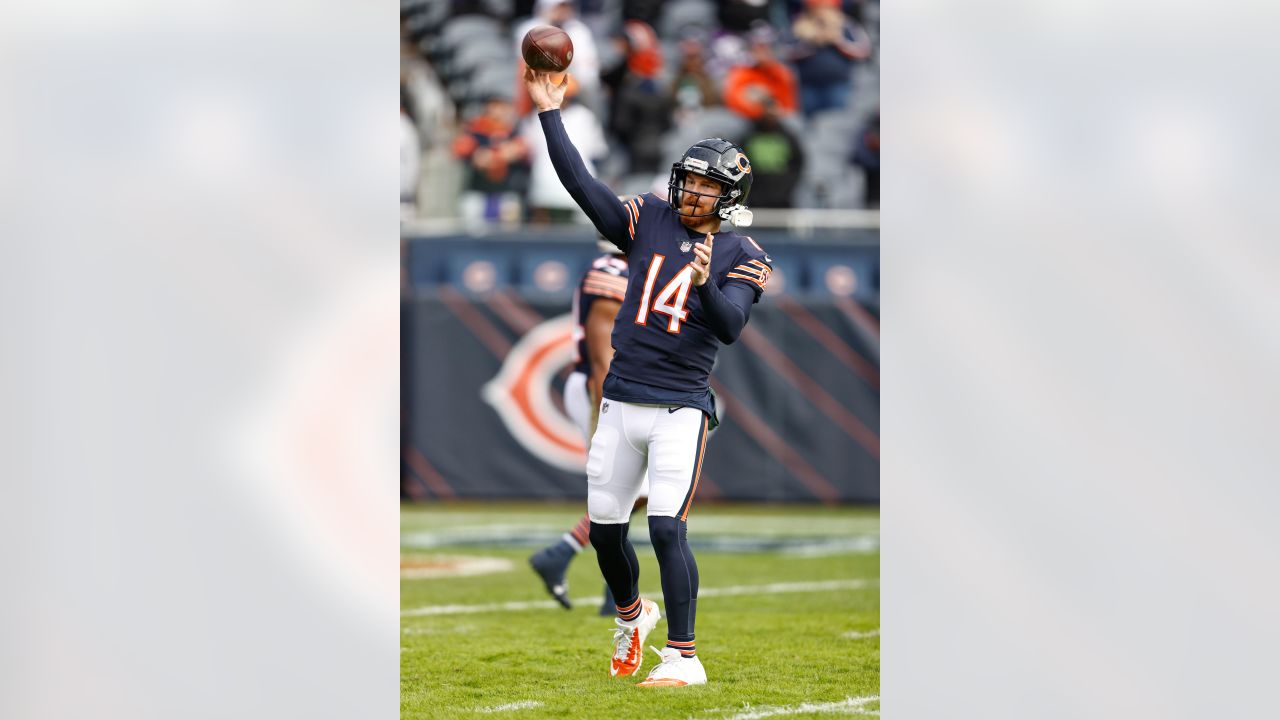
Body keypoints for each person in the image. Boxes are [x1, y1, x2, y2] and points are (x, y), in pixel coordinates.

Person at [524, 67, 774, 688]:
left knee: (666, 526)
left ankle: (684, 657)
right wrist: (550, 113)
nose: (691, 192)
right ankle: (633, 618)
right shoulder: (648, 218)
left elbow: (730, 326)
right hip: (619, 402)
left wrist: (703, 284)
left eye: (705, 185)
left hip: (680, 407)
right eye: (687, 179)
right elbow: (582, 185)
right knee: (607, 536)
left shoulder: (745, 255)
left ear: (729, 197)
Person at [528, 238, 642, 616]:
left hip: (620, 386)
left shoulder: (630, 269)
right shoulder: (612, 274)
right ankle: (570, 556)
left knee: (634, 491)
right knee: (628, 488)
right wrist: (606, 413)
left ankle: (606, 586)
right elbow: (602, 357)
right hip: (604, 387)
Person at [787, 0, 872, 118]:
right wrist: (812, 42)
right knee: (810, 124)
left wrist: (838, 41)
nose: (822, 10)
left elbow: (864, 50)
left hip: (837, 85)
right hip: (808, 85)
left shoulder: (846, 23)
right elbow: (787, 52)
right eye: (818, 6)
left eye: (826, 6)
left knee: (837, 123)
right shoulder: (799, 23)